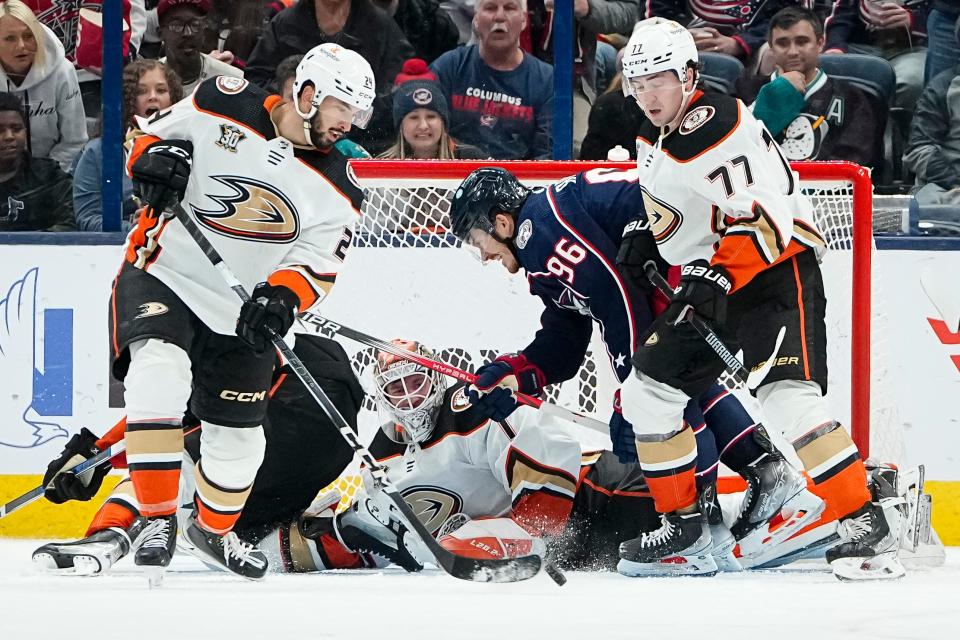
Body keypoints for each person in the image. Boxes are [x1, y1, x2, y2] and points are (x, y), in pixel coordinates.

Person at [616, 18, 903, 580]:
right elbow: (691, 204)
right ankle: (684, 528)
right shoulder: (663, 131)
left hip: (773, 270)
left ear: (689, 75)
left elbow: (765, 215)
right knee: (648, 388)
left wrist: (719, 275)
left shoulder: (711, 123)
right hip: (717, 277)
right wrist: (648, 234)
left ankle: (863, 518)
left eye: (660, 80)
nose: (649, 94)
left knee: (788, 396)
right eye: (638, 82)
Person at [447, 165, 825, 575]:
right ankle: (766, 478)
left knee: (663, 388)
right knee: (680, 382)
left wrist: (631, 390)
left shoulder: (539, 231)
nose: (482, 255)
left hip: (708, 258)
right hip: (707, 256)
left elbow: (617, 294)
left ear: (500, 221)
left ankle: (697, 529)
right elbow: (564, 341)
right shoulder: (541, 239)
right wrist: (516, 372)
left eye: (476, 240)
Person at [116, 42, 374, 581]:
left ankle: (213, 531)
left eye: (356, 114)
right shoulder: (222, 101)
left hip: (239, 309)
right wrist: (152, 161)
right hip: (165, 271)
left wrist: (282, 298)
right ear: (307, 94)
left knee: (239, 441)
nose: (348, 124)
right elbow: (146, 135)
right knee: (158, 374)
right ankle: (159, 518)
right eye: (341, 109)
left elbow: (317, 261)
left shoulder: (344, 182)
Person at [32, 333, 365, 576]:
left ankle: (109, 534)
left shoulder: (206, 339)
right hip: (326, 449)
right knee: (248, 538)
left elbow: (160, 421)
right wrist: (98, 456)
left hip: (298, 409)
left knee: (165, 465)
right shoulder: (287, 340)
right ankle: (353, 536)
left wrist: (100, 451)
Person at [244, 0, 415, 154]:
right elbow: (256, 79)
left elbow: (401, 84)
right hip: (289, 142)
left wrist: (351, 110)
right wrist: (292, 96)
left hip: (364, 142)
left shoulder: (378, 23)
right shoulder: (285, 22)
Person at [736, 6, 884, 169]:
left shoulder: (852, 99)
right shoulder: (744, 92)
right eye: (782, 43)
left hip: (829, 190)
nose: (792, 51)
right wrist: (775, 95)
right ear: (771, 49)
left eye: (802, 42)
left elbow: (855, 160)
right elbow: (735, 151)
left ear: (820, 44)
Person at [430, 0, 554, 160]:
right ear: (476, 19)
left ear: (523, 20)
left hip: (522, 180)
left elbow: (548, 155)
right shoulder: (449, 67)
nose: (500, 16)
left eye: (509, 8)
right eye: (490, 8)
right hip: (453, 177)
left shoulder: (546, 80)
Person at [73, 59, 183, 232]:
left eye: (161, 90)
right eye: (141, 91)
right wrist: (132, 227)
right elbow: (87, 218)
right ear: (128, 99)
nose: (153, 96)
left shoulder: (189, 148)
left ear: (173, 99)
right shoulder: (98, 153)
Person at [0, 1, 86, 170]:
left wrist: (44, 177)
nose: (22, 46)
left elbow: (74, 140)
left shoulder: (63, 71)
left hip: (52, 175)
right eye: (10, 38)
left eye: (28, 36)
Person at [822, 0, 928, 109]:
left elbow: (940, 18)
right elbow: (840, 16)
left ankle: (899, 123)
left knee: (913, 82)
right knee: (825, 70)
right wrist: (835, 46)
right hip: (860, 48)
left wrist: (913, 21)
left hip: (910, 50)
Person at [0, 90, 74, 230]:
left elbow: (68, 225)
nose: (9, 136)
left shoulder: (50, 176)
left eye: (16, 129)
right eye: (0, 130)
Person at [904, 28, 960, 205]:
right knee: (925, 206)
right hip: (948, 187)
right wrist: (954, 181)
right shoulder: (943, 87)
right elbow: (919, 149)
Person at [380, 77, 485, 158]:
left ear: (443, 122)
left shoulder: (472, 159)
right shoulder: (380, 165)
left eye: (431, 116)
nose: (423, 126)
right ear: (400, 125)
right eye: (414, 117)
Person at [157, 0, 243, 95]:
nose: (188, 33)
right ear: (160, 33)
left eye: (195, 24)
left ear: (204, 31)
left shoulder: (232, 81)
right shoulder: (146, 82)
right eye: (177, 25)